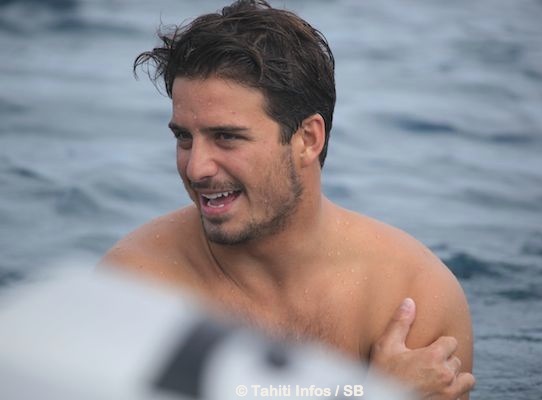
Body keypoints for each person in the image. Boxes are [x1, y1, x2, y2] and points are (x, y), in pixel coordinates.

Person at [99, 1, 475, 398]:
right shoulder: (135, 287)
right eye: (184, 138)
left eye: (226, 137)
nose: (196, 168)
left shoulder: (409, 295)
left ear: (308, 140)